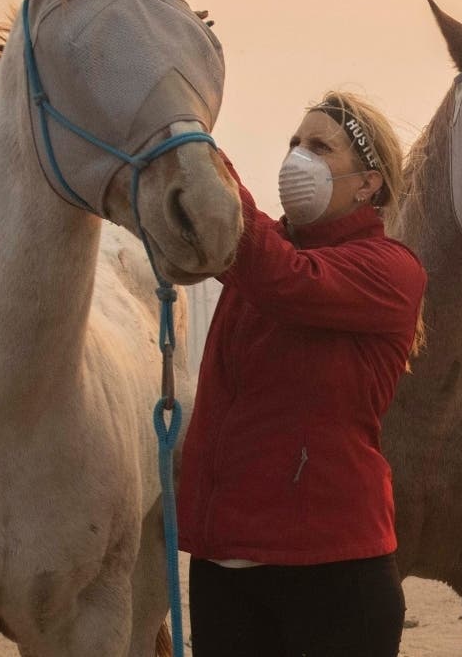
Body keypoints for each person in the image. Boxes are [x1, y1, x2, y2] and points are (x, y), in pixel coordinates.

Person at [177, 91, 427, 657]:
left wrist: (198, 153)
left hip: (332, 573)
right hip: (225, 564)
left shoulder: (390, 269)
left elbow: (285, 276)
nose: (297, 157)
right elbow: (226, 248)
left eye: (320, 147)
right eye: (295, 143)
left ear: (368, 182)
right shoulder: (264, 252)